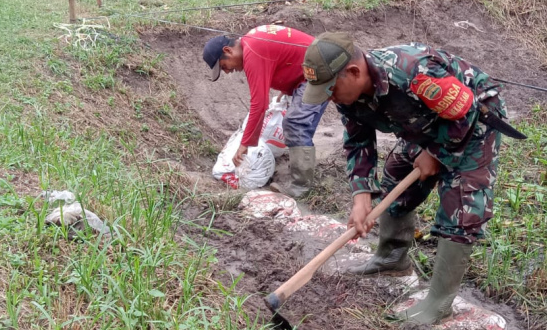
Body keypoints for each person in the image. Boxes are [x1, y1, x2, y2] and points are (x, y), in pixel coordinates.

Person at [301, 32, 510, 324]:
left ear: (353, 72)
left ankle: (439, 302)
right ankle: (391, 258)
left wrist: (435, 153)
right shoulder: (346, 93)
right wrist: (360, 197)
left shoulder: (411, 72)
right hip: (429, 120)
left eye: (331, 89)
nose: (329, 97)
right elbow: (358, 141)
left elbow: (466, 112)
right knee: (396, 176)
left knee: (462, 204)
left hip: (475, 119)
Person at [202, 25, 328, 197]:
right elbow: (287, 56)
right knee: (295, 123)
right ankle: (299, 173)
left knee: (296, 124)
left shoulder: (252, 53)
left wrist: (245, 144)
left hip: (320, 69)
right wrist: (285, 88)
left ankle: (301, 188)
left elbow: (259, 105)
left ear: (228, 50)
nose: (228, 71)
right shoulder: (252, 44)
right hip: (313, 67)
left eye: (224, 66)